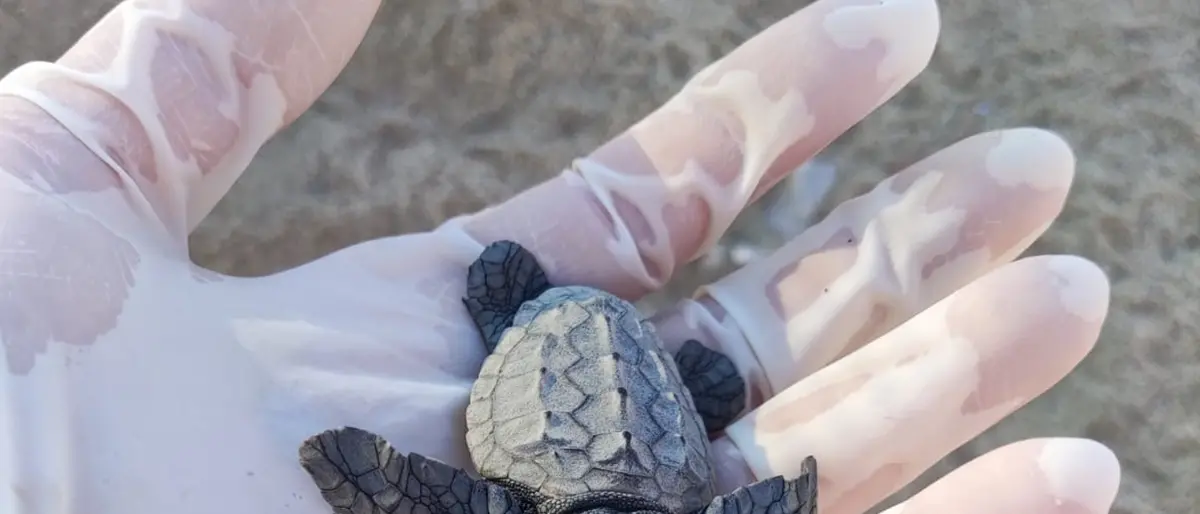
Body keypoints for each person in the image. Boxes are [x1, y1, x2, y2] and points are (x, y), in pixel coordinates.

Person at [0, 0, 1122, 512]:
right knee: (698, 398)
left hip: (605, 389)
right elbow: (362, 465)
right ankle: (566, 335)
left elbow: (365, 466)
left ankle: (578, 342)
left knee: (705, 399)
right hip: (585, 369)